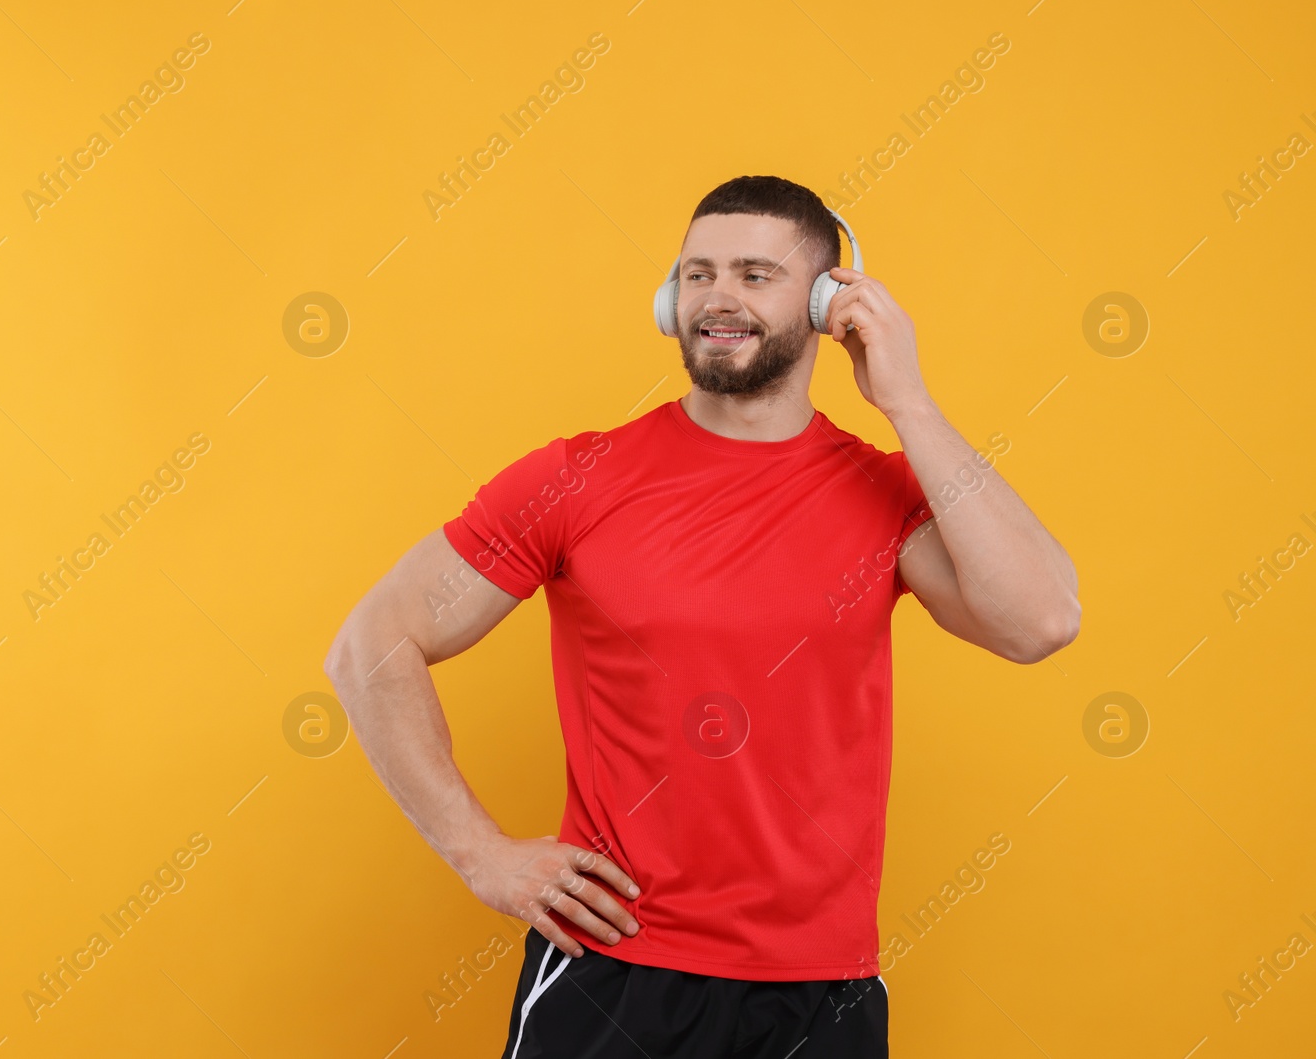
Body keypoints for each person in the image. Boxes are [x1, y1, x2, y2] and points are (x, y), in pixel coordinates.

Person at [324, 175, 1080, 1057]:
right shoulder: (576, 478)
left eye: (757, 274)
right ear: (669, 298)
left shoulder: (886, 492)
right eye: (697, 274)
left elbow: (1040, 621)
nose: (718, 297)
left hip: (822, 994)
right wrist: (476, 851)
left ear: (832, 301)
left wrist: (907, 401)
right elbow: (371, 645)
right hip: (615, 977)